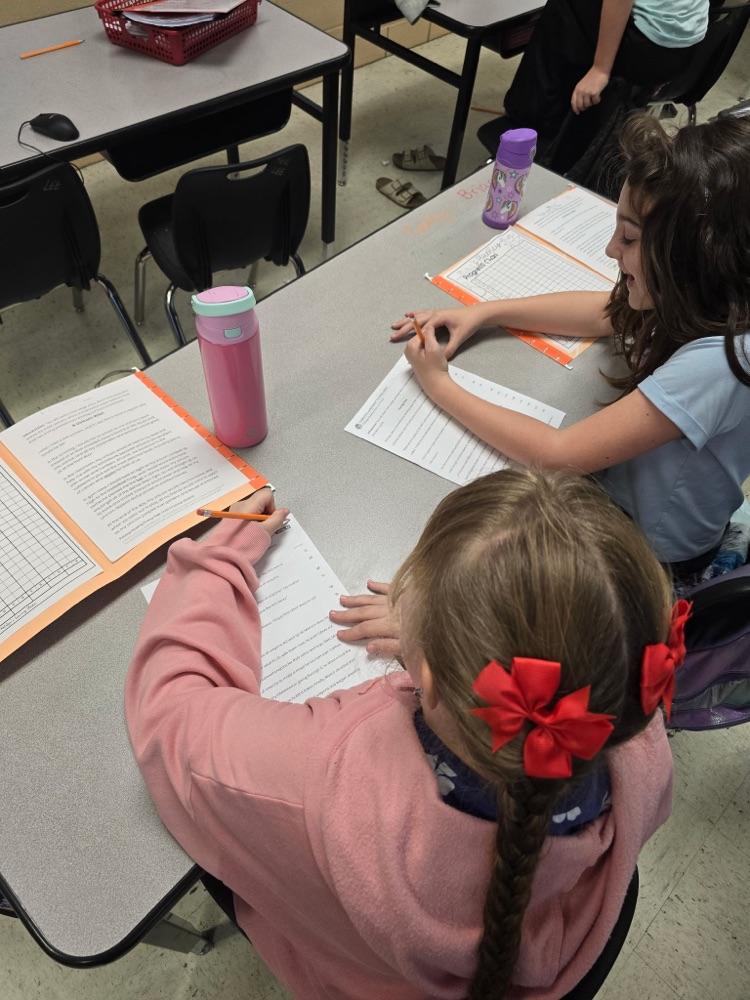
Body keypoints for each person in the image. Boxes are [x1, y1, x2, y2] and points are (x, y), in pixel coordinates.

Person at [126, 470, 677, 1000]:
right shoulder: (632, 725)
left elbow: (172, 712)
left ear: (427, 679)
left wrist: (221, 553)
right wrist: (445, 639)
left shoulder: (320, 782)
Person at [390, 112, 750, 580]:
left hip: (650, 555)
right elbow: (607, 311)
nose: (610, 250)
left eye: (629, 237)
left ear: (693, 252)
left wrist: (439, 384)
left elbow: (558, 453)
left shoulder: (724, 361)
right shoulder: (708, 291)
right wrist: (485, 312)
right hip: (627, 500)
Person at [497, 0, 709, 156]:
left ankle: (527, 121)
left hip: (647, 46)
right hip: (686, 50)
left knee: (563, 9)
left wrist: (601, 69)